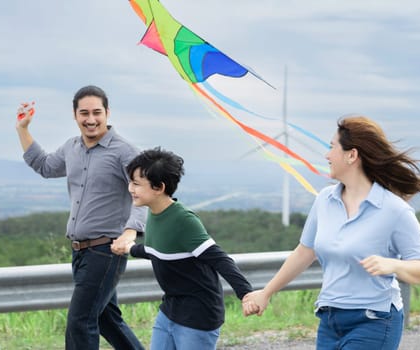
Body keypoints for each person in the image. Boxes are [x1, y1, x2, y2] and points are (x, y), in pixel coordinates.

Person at [243, 115, 420, 349]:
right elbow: (305, 251)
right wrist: (267, 292)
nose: (327, 155)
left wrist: (393, 265)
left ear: (351, 155)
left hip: (374, 320)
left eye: (332, 147)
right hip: (329, 319)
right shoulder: (325, 200)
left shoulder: (395, 210)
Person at [15, 85, 147, 350]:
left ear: (107, 113)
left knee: (80, 322)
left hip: (106, 249)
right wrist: (23, 129)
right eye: (84, 113)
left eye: (97, 112)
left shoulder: (125, 151)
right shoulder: (71, 147)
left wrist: (131, 231)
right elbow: (44, 165)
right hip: (80, 251)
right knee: (107, 320)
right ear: (75, 115)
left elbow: (142, 193)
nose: (91, 119)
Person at [112, 147, 254, 350]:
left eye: (136, 184)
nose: (130, 189)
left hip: (199, 313)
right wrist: (130, 248)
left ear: (158, 187)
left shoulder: (184, 220)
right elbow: (155, 250)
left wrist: (245, 294)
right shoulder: (153, 213)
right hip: (171, 307)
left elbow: (220, 259)